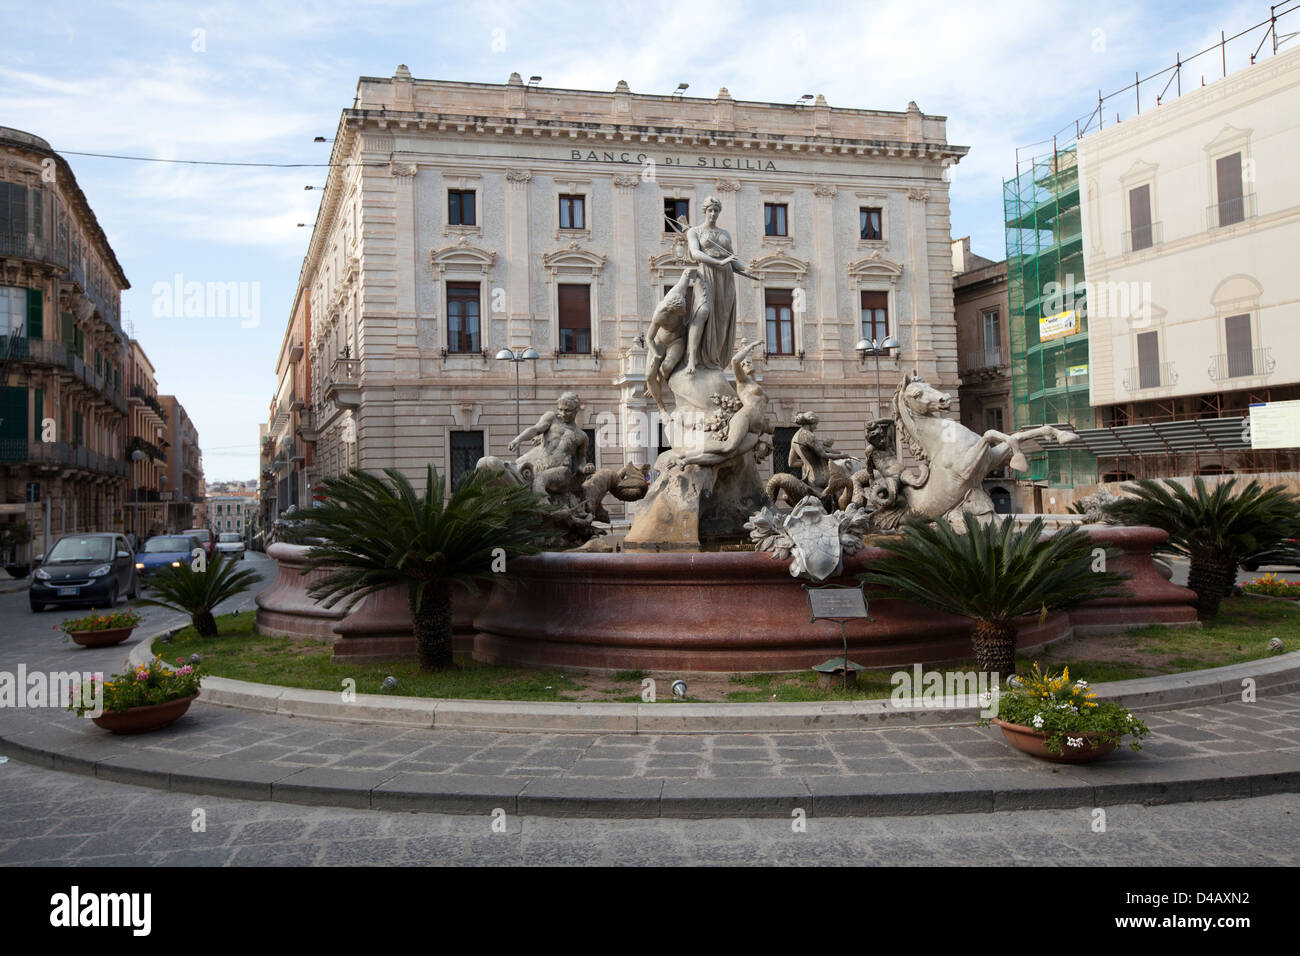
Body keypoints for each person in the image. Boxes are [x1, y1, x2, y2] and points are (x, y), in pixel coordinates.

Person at [683, 196, 758, 374]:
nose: (713, 213)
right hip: (707, 272)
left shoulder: (725, 234)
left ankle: (715, 359)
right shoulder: (694, 231)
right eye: (710, 210)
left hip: (725, 278)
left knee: (722, 319)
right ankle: (692, 359)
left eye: (716, 210)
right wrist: (718, 263)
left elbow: (733, 260)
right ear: (705, 211)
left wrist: (747, 269)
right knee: (703, 311)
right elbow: (695, 253)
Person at [643, 268, 695, 415]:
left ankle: (659, 381)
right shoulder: (660, 315)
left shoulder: (677, 294)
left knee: (666, 367)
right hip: (659, 341)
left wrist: (692, 272)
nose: (684, 313)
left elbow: (685, 275)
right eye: (681, 312)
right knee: (649, 375)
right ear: (671, 311)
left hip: (677, 340)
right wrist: (655, 354)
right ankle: (661, 408)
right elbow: (649, 338)